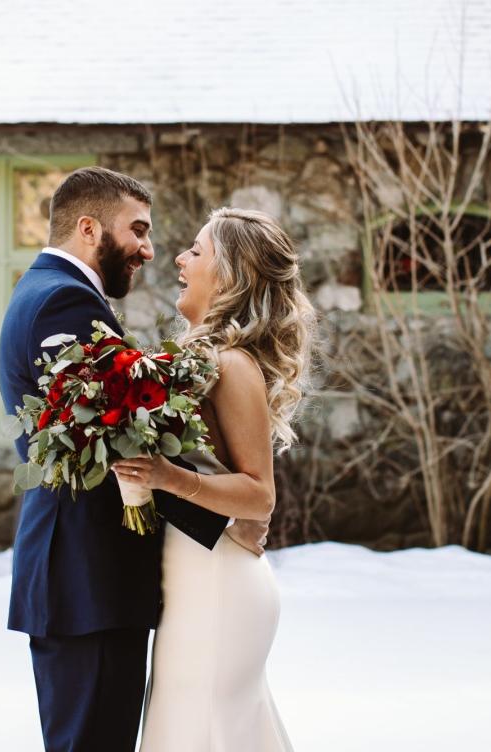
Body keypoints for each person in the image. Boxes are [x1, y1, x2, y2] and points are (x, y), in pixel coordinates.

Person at [0, 167, 268, 752]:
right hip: (86, 577)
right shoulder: (62, 301)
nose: (150, 249)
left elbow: (118, 437)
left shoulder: (55, 294)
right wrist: (225, 520)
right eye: (138, 230)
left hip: (93, 580)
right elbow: (106, 443)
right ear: (89, 228)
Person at [114, 207, 314, 752]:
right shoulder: (199, 359)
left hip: (219, 585)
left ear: (229, 275)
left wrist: (167, 477)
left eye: (196, 251)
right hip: (194, 577)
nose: (178, 258)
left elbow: (259, 494)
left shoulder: (233, 364)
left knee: (203, 731)